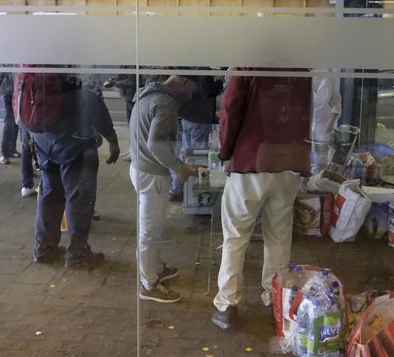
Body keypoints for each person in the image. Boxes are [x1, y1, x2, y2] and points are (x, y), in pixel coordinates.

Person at [211, 68, 312, 330]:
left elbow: (230, 109)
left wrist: (225, 151)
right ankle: (275, 299)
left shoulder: (248, 63)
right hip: (288, 161)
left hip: (250, 161)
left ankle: (227, 305)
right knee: (279, 238)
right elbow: (304, 113)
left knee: (235, 235)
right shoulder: (300, 67)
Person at [33, 74, 120, 269]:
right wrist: (111, 137)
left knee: (49, 191)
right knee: (80, 197)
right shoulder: (82, 62)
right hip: (74, 139)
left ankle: (44, 248)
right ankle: (77, 253)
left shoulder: (43, 55)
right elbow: (93, 103)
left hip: (43, 136)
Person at [129, 75, 201, 303]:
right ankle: (148, 283)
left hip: (139, 168)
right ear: (181, 80)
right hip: (152, 175)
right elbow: (156, 144)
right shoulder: (166, 102)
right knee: (149, 232)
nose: (190, 96)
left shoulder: (147, 95)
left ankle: (156, 268)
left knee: (152, 228)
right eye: (191, 89)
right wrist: (179, 168)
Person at [0, 72, 21, 165]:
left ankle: (11, 150)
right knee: (10, 120)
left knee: (15, 121)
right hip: (9, 91)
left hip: (15, 91)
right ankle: (5, 153)